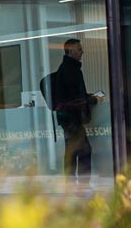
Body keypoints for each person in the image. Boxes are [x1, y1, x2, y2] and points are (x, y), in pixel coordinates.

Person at [48, 39, 103, 188]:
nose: (82, 52)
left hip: (67, 117)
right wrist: (93, 100)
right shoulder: (71, 70)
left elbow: (74, 95)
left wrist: (88, 96)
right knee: (84, 151)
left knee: (72, 152)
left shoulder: (66, 69)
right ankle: (82, 184)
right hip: (72, 118)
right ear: (70, 51)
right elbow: (76, 98)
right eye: (79, 49)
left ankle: (71, 184)